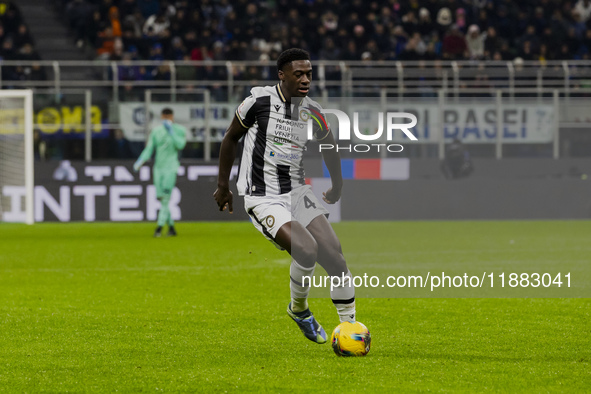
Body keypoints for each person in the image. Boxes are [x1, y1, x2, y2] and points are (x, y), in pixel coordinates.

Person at [214, 48, 356, 344]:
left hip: (296, 191)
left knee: (336, 257)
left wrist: (338, 184)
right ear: (282, 75)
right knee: (306, 250)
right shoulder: (258, 102)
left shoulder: (312, 111)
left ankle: (349, 328)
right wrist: (223, 186)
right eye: (299, 74)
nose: (305, 79)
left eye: (309, 74)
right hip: (262, 196)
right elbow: (230, 139)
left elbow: (329, 146)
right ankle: (299, 309)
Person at [134, 108, 187, 237]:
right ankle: (172, 228)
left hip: (171, 167)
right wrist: (141, 160)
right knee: (162, 198)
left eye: (168, 117)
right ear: (162, 117)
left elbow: (180, 145)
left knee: (165, 198)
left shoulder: (179, 130)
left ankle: (159, 227)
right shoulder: (156, 131)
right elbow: (149, 148)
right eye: (164, 117)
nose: (167, 120)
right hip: (158, 169)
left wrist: (171, 132)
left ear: (172, 117)